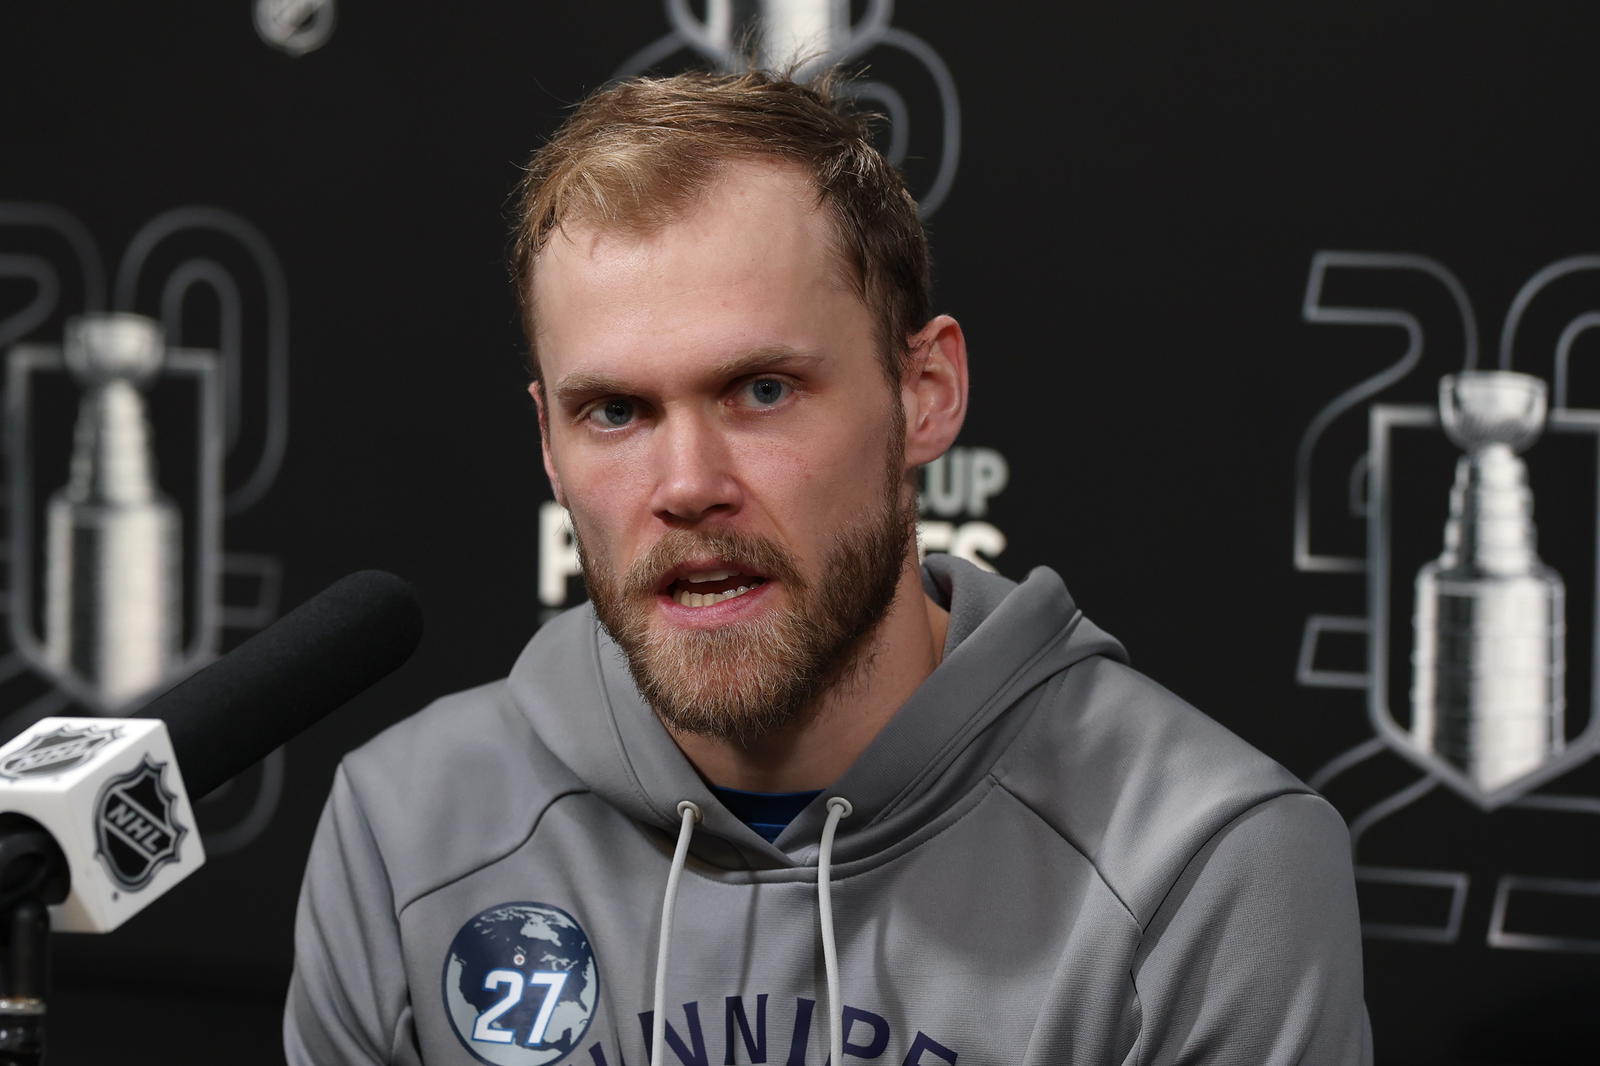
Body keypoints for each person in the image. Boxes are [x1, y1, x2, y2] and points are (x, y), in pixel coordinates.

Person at [285, 69, 1372, 1066]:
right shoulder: (406, 827)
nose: (688, 482)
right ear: (548, 446)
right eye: (614, 411)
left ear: (925, 392)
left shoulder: (1204, 865)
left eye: (761, 389)